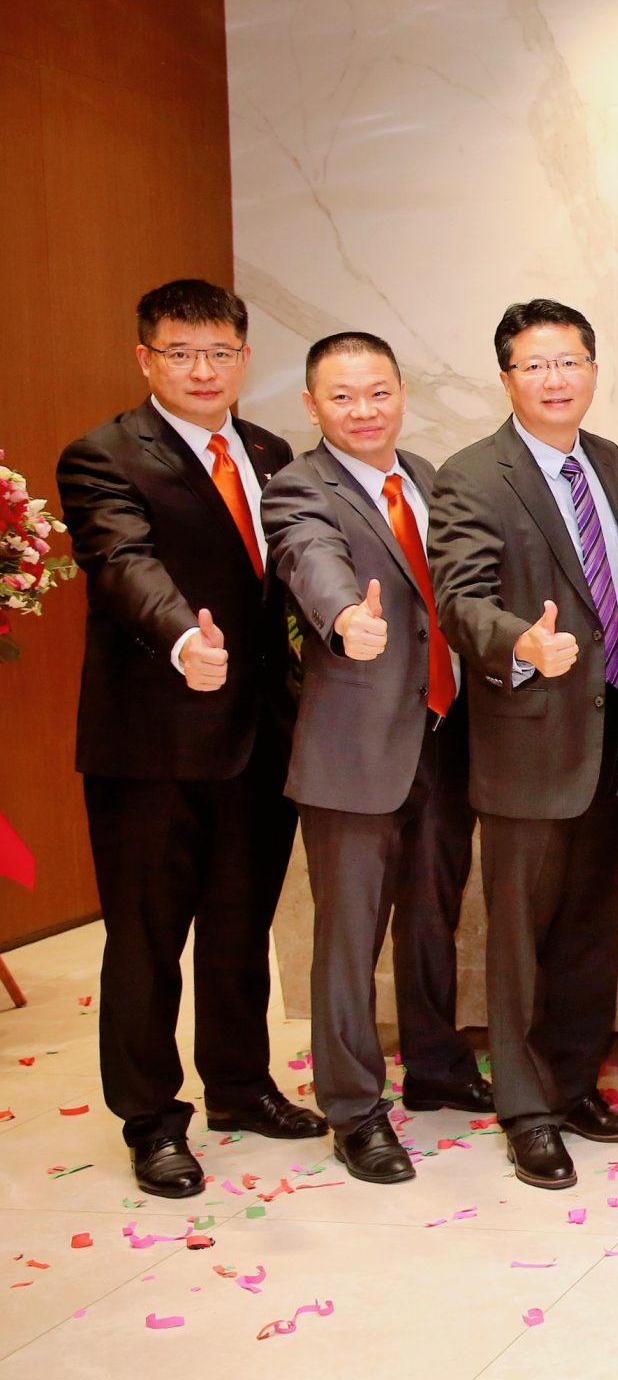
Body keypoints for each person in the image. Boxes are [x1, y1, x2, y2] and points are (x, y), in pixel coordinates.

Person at [55, 279, 323, 1198]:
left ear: (244, 357)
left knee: (241, 926)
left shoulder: (270, 450)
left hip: (259, 738)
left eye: (219, 352)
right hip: (152, 746)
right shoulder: (101, 455)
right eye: (181, 352)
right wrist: (181, 639)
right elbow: (122, 562)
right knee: (147, 938)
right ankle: (150, 1120)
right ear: (146, 359)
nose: (202, 370)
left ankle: (241, 1087)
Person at [428, 298, 618, 1190]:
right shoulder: (472, 475)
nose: (556, 379)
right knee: (519, 938)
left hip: (614, 732)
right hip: (528, 738)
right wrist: (519, 643)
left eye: (570, 362)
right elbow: (460, 599)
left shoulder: (606, 458)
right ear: (507, 377)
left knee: (590, 932)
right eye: (535, 364)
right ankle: (525, 1111)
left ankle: (572, 1083)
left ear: (593, 370)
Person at [263, 332, 489, 1185]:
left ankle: (435, 1065)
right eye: (343, 396)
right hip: (353, 750)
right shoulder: (299, 487)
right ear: (313, 406)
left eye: (378, 392)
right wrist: (344, 619)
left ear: (402, 393)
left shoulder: (429, 478)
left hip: (445, 736)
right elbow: (309, 559)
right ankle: (354, 1108)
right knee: (349, 937)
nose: (364, 410)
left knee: (433, 918)